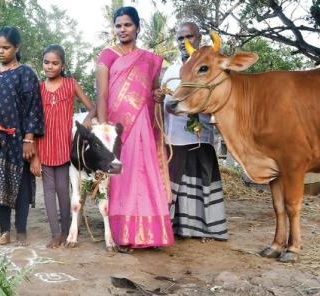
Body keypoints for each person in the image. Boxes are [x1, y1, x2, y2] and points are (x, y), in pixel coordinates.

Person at [95, 7, 173, 251]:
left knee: (146, 174)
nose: (122, 30)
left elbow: (152, 92)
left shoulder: (149, 60)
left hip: (143, 125)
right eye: (118, 25)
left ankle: (151, 234)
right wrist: (105, 131)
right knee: (123, 178)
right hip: (118, 129)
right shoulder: (106, 56)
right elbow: (103, 95)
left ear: (138, 27)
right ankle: (124, 234)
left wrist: (157, 96)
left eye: (127, 25)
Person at [159, 22, 228, 241]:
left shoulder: (209, 65)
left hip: (202, 136)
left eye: (189, 36)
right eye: (180, 38)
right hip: (175, 136)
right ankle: (176, 228)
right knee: (175, 182)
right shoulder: (170, 70)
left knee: (201, 180)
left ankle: (205, 229)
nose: (184, 42)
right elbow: (164, 100)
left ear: (198, 38)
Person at [0, 26, 44, 246]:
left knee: (22, 186)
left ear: (17, 47)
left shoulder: (25, 74)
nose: (0, 52)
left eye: (6, 47)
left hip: (18, 142)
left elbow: (33, 109)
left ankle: (22, 230)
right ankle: (5, 230)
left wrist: (29, 140)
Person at [34, 44, 95, 248]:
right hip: (44, 144)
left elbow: (92, 107)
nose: (50, 67)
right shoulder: (39, 89)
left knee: (63, 189)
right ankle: (55, 233)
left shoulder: (71, 84)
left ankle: (69, 229)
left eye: (55, 63)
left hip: (64, 145)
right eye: (46, 62)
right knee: (48, 191)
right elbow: (34, 121)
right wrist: (34, 153)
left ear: (62, 65)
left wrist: (88, 119)